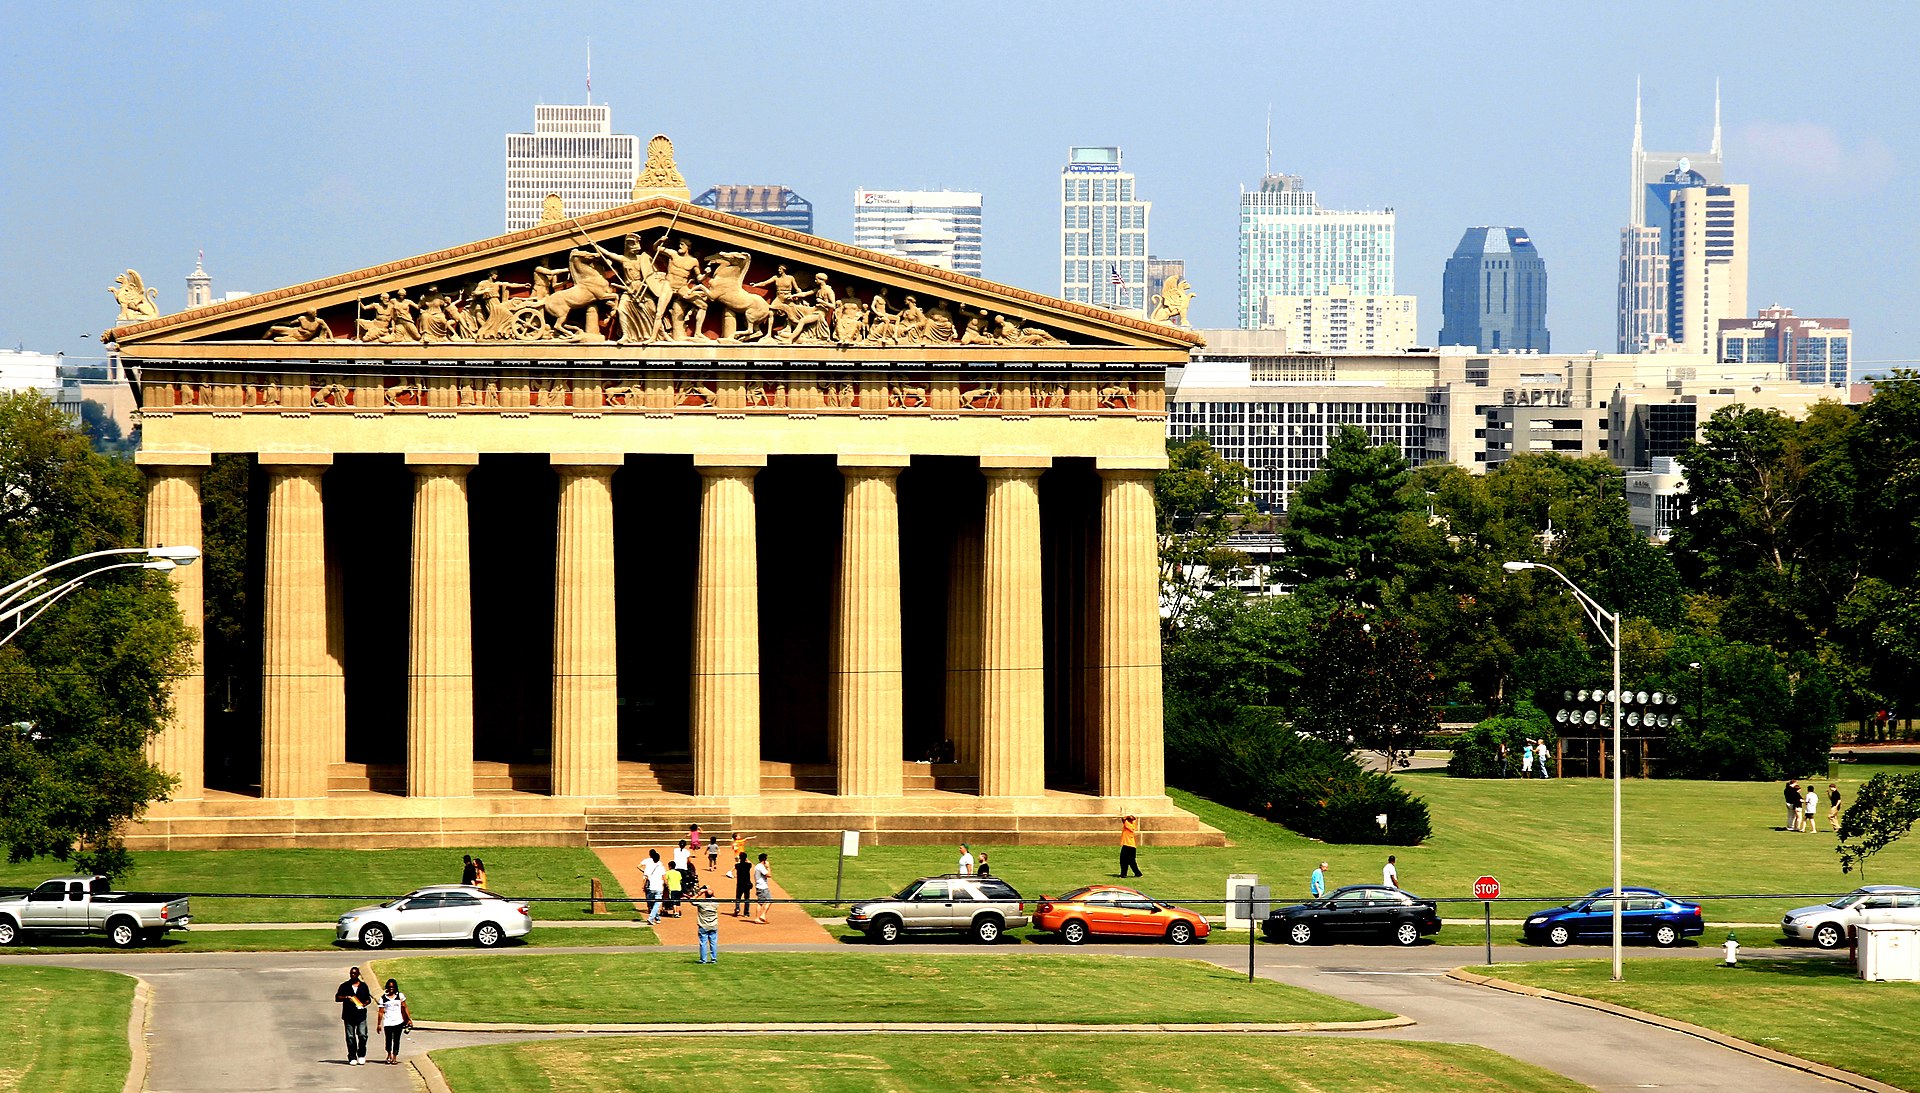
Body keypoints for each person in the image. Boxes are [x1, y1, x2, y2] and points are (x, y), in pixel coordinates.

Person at [334, 966, 373, 1066]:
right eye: (351, 973)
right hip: (348, 1015)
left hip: (361, 1015)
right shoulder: (345, 986)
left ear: (358, 974)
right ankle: (352, 1056)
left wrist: (364, 1004)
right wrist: (347, 997)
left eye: (355, 973)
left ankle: (361, 1054)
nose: (353, 975)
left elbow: (368, 999)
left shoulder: (363, 986)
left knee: (362, 1035)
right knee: (350, 1037)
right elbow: (337, 998)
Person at [374, 977, 411, 1065]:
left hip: (398, 1021)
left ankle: (394, 1056)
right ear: (387, 987)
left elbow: (404, 1007)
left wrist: (408, 1019)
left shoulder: (400, 996)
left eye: (393, 987)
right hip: (388, 1022)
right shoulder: (383, 998)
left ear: (395, 988)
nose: (391, 989)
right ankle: (389, 1054)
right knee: (388, 1039)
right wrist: (379, 1024)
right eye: (389, 987)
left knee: (397, 1039)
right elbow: (381, 1012)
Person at [693, 885, 720, 964]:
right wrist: (709, 891)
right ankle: (713, 959)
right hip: (713, 925)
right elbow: (713, 897)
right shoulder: (715, 903)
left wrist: (699, 893)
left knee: (703, 943)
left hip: (703, 925)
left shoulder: (701, 903)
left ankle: (703, 959)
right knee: (713, 943)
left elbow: (692, 900)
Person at [642, 849, 665, 924]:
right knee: (657, 904)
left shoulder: (649, 867)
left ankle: (657, 918)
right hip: (659, 888)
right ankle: (651, 918)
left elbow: (645, 877)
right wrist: (667, 885)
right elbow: (664, 878)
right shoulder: (661, 867)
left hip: (651, 888)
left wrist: (643, 886)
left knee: (653, 904)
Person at [730, 850, 753, 917]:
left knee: (738, 897)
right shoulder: (748, 865)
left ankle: (737, 908)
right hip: (747, 884)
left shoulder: (737, 865)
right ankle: (746, 912)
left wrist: (739, 860)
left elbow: (737, 864)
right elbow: (749, 863)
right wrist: (746, 859)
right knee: (747, 898)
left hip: (740, 884)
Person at [1119, 814, 1142, 878]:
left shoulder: (1128, 825)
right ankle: (1137, 873)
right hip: (1132, 846)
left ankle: (1124, 874)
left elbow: (1123, 819)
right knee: (1131, 861)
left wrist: (1127, 817)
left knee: (1123, 860)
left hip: (1127, 845)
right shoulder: (1133, 824)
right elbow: (1134, 819)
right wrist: (1130, 817)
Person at [752, 853, 772, 924]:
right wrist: (768, 867)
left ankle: (761, 916)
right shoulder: (760, 867)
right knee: (764, 901)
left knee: (763, 901)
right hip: (762, 887)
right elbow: (769, 875)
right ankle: (760, 917)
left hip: (760, 886)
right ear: (764, 860)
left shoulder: (758, 866)